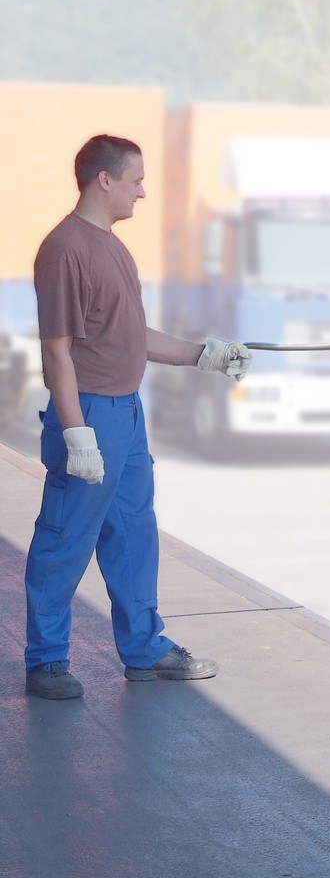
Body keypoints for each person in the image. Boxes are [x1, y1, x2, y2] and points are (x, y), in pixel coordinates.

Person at [24, 134, 252, 700]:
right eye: (135, 180)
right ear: (105, 180)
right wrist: (77, 434)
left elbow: (131, 336)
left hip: (126, 411)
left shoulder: (114, 249)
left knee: (132, 532)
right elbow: (57, 350)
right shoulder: (66, 250)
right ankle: (46, 660)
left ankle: (145, 650)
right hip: (92, 414)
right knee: (65, 536)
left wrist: (205, 355)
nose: (142, 191)